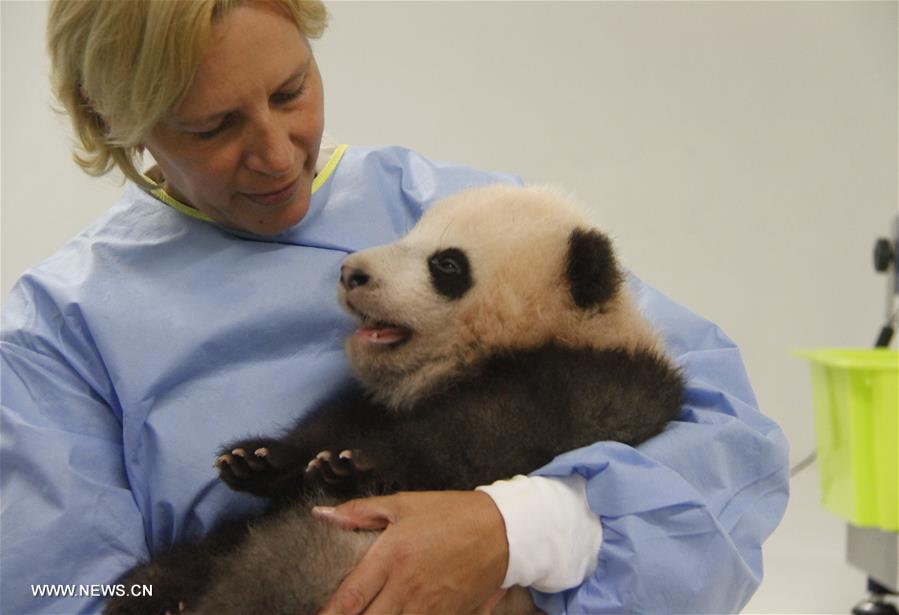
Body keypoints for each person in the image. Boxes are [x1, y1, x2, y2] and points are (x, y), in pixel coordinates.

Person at [0, 1, 790, 613]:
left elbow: (728, 458)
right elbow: (55, 593)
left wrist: (515, 530)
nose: (278, 153)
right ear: (117, 122)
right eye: (212, 126)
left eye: (290, 90)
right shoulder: (59, 329)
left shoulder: (463, 214)